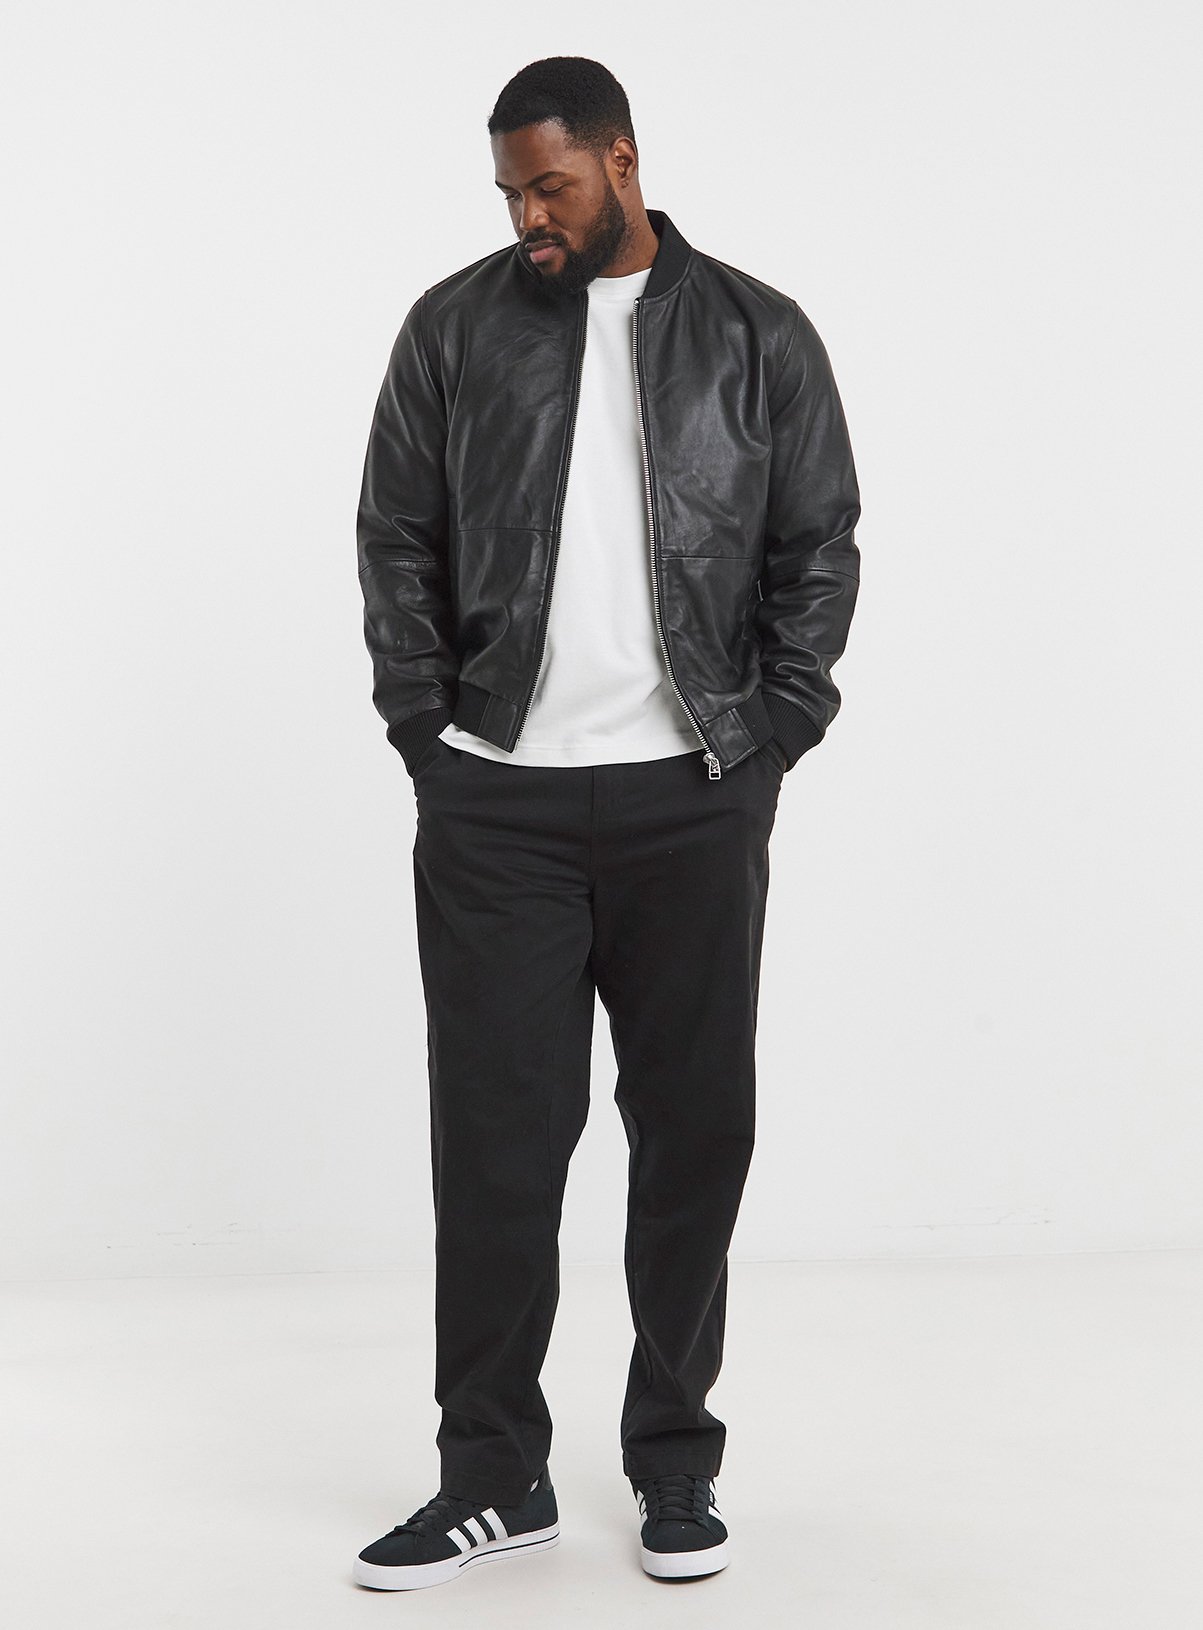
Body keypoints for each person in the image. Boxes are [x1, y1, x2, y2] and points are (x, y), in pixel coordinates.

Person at [351, 55, 861, 1592]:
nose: (529, 216)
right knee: (496, 1150)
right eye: (511, 191)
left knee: (694, 1137)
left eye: (552, 186)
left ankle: (674, 1457)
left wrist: (773, 733)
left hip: (690, 798)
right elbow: (395, 536)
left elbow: (818, 546)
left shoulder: (758, 334)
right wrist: (429, 734)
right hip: (497, 801)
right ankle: (492, 1473)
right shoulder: (452, 329)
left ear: (622, 161)